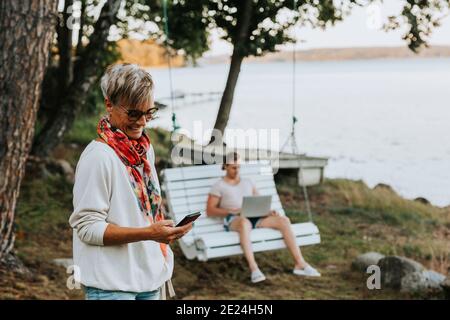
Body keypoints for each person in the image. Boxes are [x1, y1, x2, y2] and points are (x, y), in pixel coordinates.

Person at [69, 63, 192, 300]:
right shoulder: (98, 156)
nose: (142, 122)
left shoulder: (145, 150)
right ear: (109, 105)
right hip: (110, 284)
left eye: (148, 113)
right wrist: (148, 233)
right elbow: (86, 228)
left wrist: (163, 232)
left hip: (149, 277)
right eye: (133, 113)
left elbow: (143, 214)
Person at [206, 152, 320, 283]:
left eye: (238, 167)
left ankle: (300, 264)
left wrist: (269, 212)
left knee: (284, 221)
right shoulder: (219, 186)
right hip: (234, 219)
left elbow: (258, 202)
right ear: (225, 166)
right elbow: (210, 210)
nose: (237, 170)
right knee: (244, 223)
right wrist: (231, 211)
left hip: (255, 216)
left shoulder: (248, 182)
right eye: (233, 167)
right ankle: (254, 269)